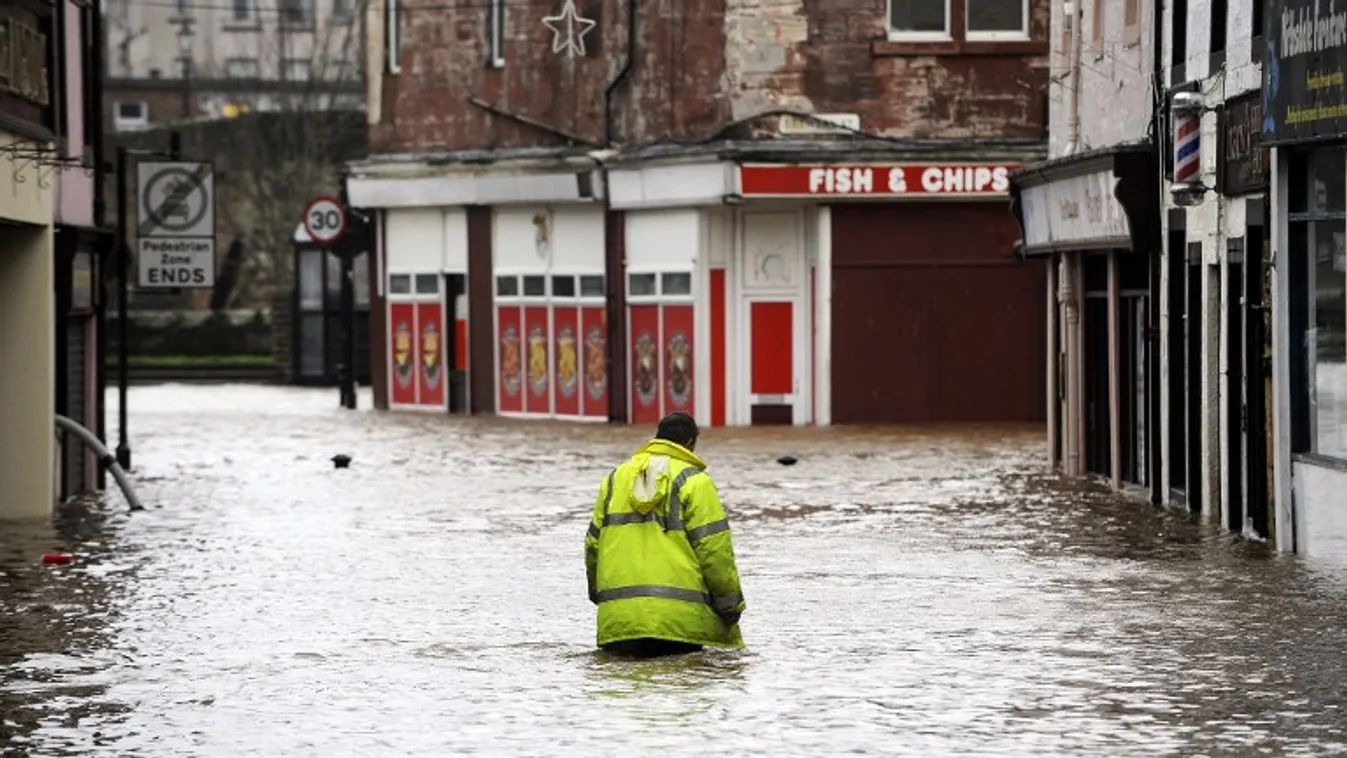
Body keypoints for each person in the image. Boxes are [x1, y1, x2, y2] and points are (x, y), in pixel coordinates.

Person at [584, 412, 746, 658]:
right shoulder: (695, 481)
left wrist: (606, 600)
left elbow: (593, 545)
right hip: (679, 624)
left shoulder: (614, 479)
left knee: (624, 692)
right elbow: (714, 551)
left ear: (657, 437)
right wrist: (730, 606)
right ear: (690, 443)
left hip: (620, 621)